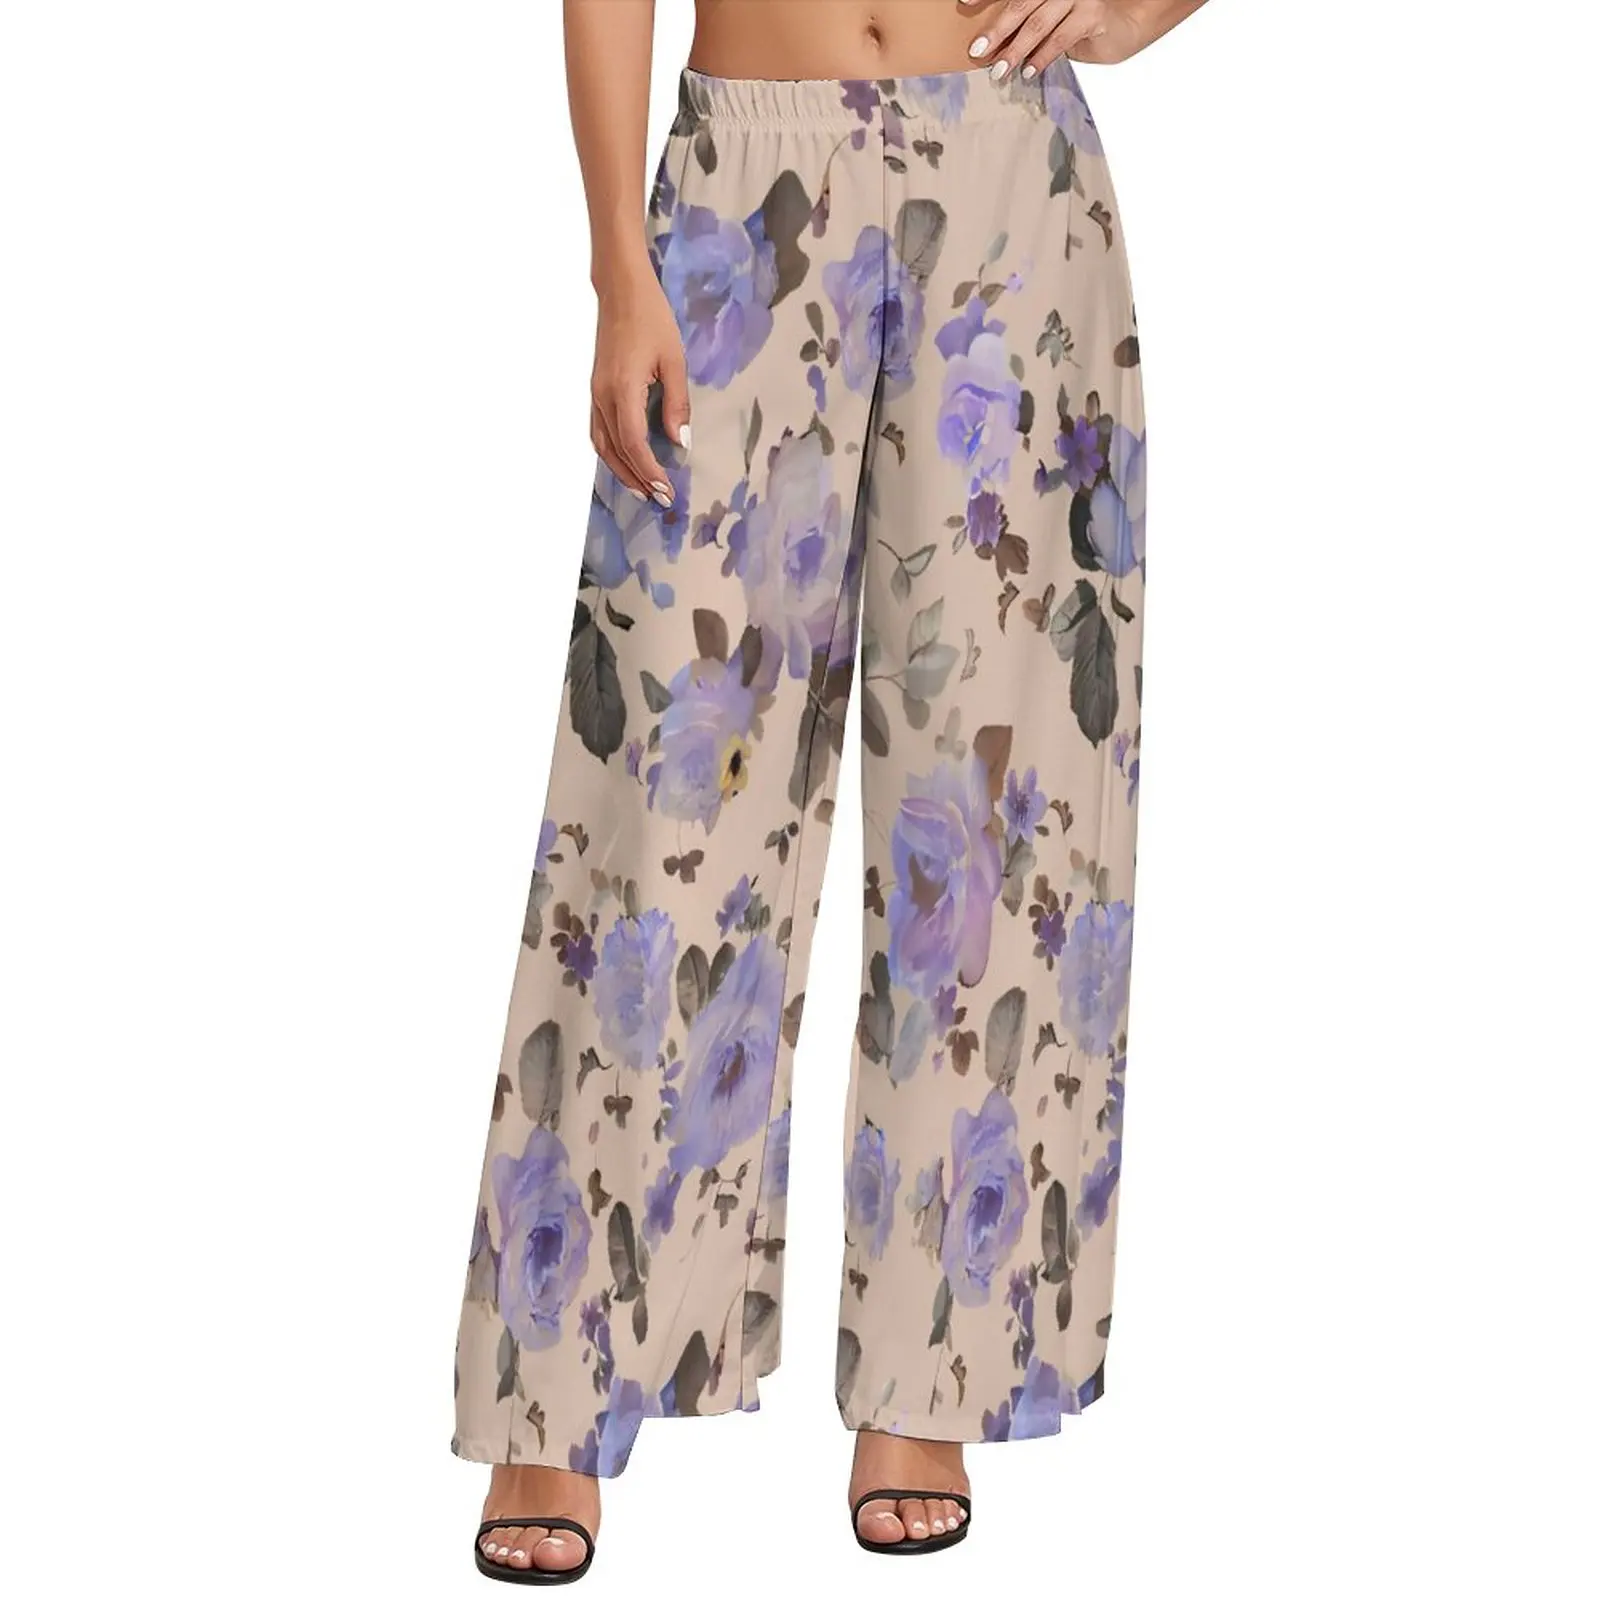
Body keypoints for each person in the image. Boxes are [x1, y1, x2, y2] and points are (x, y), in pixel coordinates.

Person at [454, 0, 1205, 1582]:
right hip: (746, 180)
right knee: (656, 805)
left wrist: (1139, 9)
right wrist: (620, 265)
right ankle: (559, 1389)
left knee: (992, 811)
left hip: (1011, 182)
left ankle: (933, 1376)